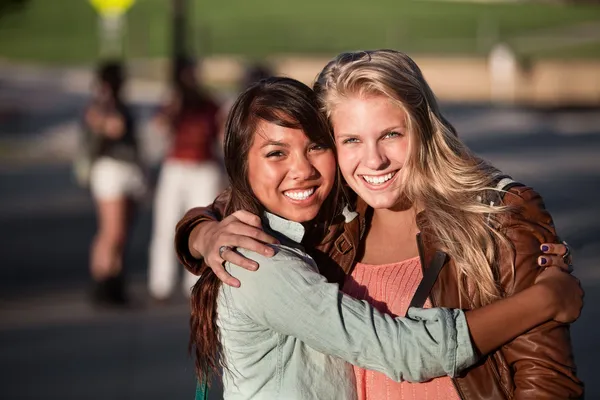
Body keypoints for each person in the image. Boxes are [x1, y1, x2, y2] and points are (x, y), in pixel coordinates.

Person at [186, 77, 582, 399]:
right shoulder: (266, 256)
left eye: (391, 134)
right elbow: (403, 351)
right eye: (352, 139)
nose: (302, 169)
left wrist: (197, 232)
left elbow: (545, 380)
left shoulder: (495, 215)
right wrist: (545, 300)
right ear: (240, 165)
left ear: (424, 130)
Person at [147, 57, 222, 301]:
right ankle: (161, 283)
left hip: (203, 166)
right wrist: (173, 104)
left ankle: (196, 281)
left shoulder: (207, 103)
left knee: (204, 222)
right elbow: (159, 127)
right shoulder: (175, 103)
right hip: (176, 165)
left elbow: (220, 132)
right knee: (166, 224)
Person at [82, 61, 146, 306]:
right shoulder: (100, 104)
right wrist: (106, 100)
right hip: (110, 170)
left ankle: (116, 281)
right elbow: (113, 127)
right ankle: (103, 281)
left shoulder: (120, 103)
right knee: (112, 231)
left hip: (128, 169)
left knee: (121, 233)